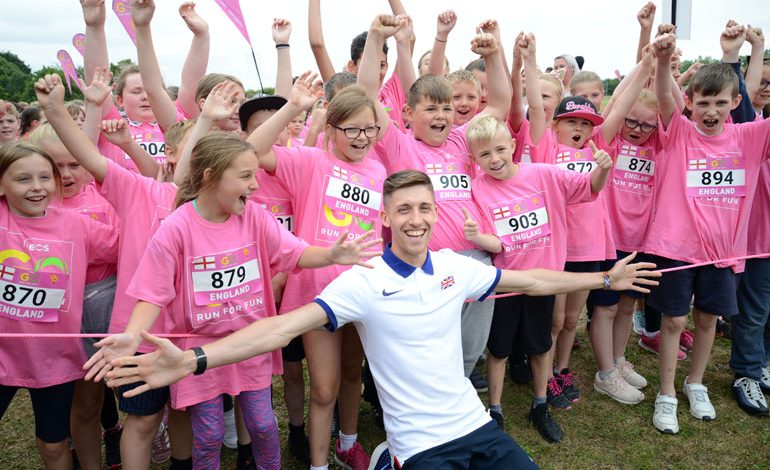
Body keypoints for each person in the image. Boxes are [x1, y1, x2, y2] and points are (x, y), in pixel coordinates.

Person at [103, 169, 660, 470]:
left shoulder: (455, 268)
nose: (415, 219)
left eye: (424, 209)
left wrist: (603, 280)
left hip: (477, 428)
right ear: (386, 219)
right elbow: (281, 327)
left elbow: (533, 280)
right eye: (404, 211)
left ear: (433, 213)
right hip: (419, 445)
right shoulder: (363, 284)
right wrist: (195, 359)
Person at [248, 77, 387, 470]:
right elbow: (253, 151)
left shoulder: (378, 171)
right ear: (331, 130)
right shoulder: (310, 162)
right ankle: (319, 463)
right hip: (316, 293)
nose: (362, 138)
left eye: (369, 128)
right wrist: (292, 108)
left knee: (350, 375)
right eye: (352, 129)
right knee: (324, 388)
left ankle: (348, 442)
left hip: (363, 288)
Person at [647, 33, 770, 434]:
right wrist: (663, 61)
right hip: (677, 247)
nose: (711, 111)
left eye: (720, 103)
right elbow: (665, 98)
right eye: (703, 103)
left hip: (723, 253)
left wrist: (749, 51)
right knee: (672, 321)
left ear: (736, 103)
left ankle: (695, 383)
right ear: (691, 104)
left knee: (707, 321)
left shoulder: (750, 136)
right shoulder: (680, 131)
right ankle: (666, 392)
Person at [464, 115, 611, 443]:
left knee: (541, 344)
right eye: (485, 155)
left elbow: (590, 187)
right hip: (506, 282)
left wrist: (602, 168)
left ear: (513, 146)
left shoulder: (545, 174)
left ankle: (540, 403)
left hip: (545, 279)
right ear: (474, 159)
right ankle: (495, 409)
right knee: (499, 349)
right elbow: (497, 242)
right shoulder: (477, 189)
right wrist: (477, 236)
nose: (495, 159)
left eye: (501, 149)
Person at [0, 141, 118, 470]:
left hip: (51, 360)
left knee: (53, 445)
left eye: (44, 178)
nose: (37, 188)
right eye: (23, 179)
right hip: (2, 353)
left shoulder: (73, 224)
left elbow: (125, 245)